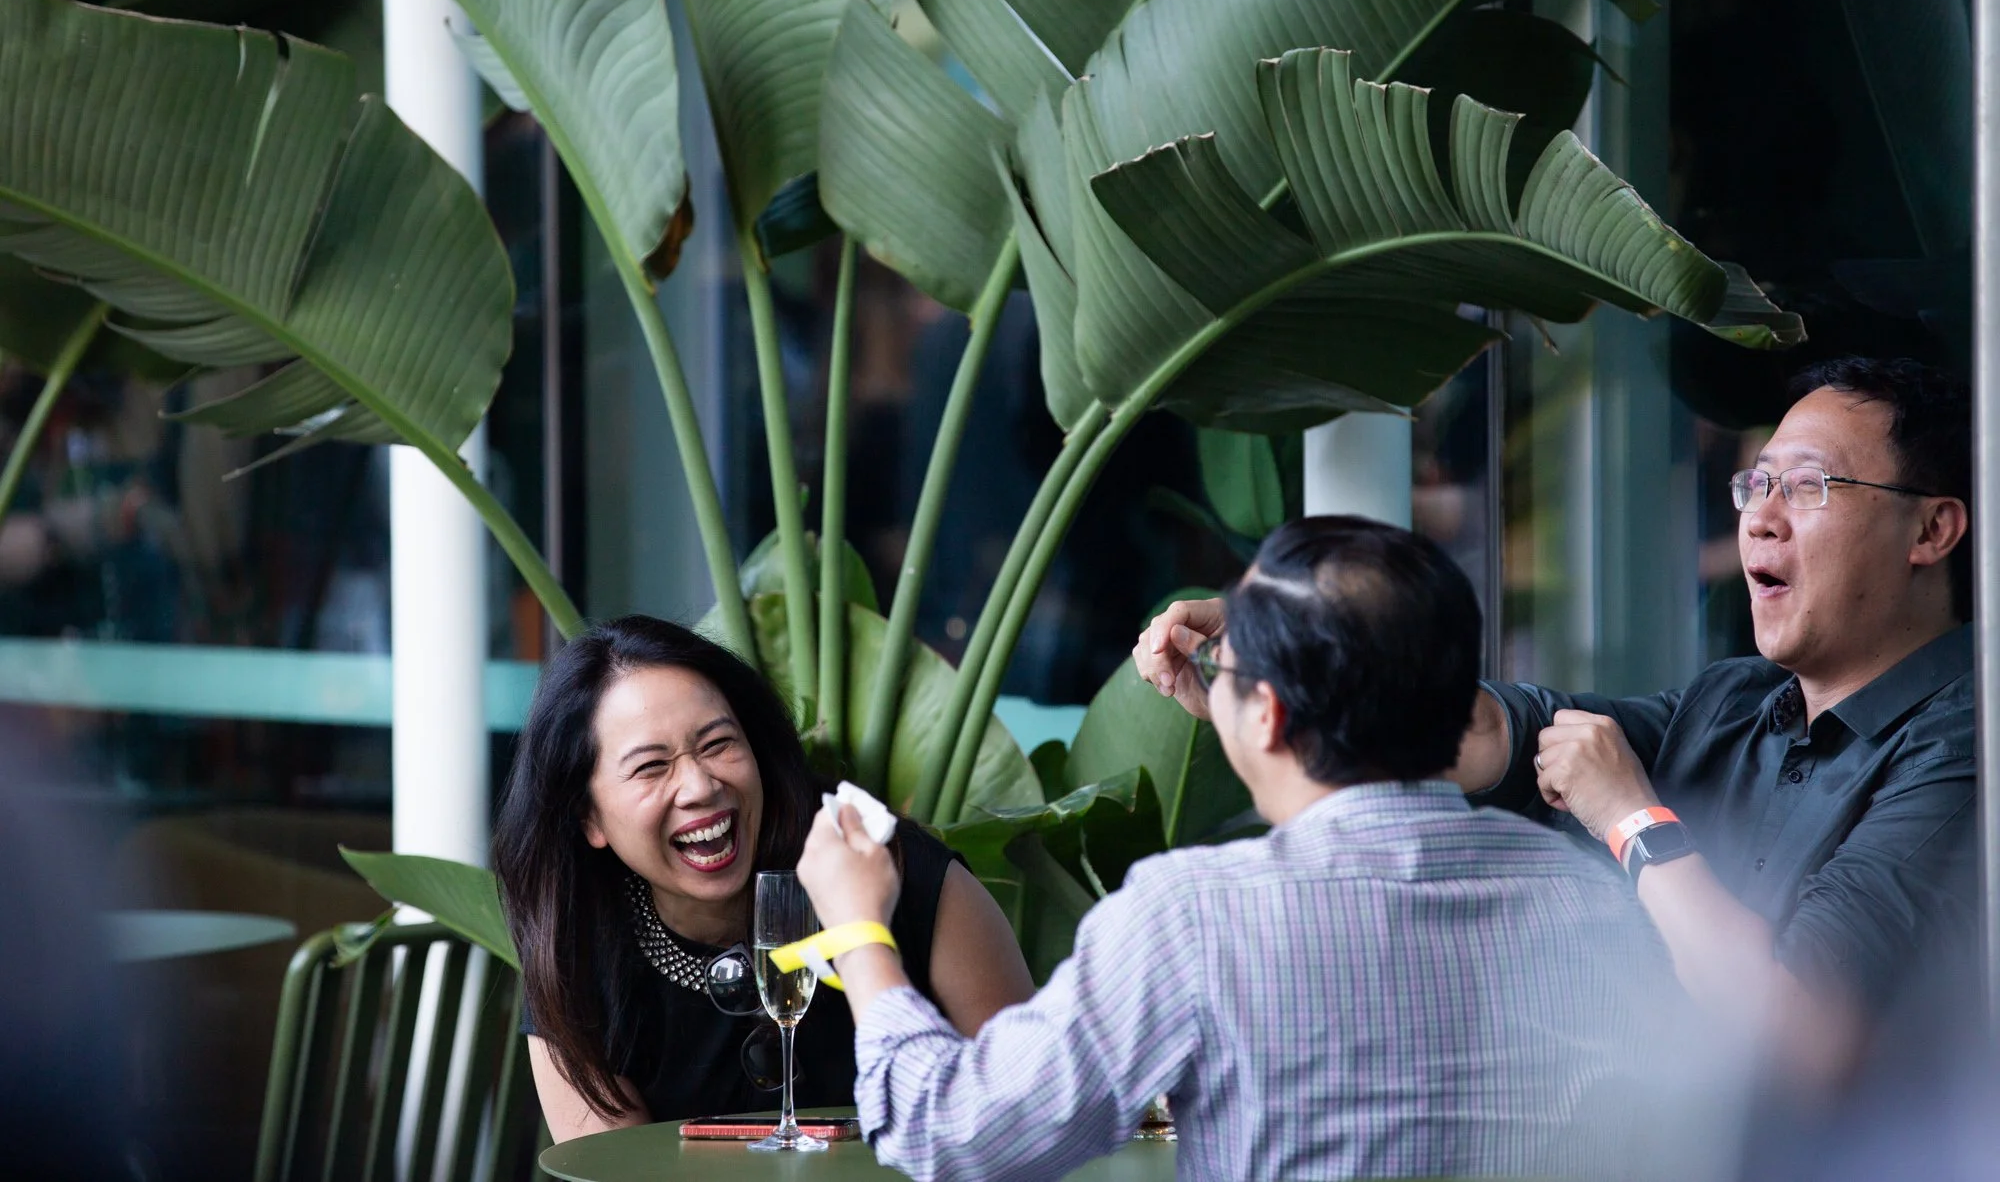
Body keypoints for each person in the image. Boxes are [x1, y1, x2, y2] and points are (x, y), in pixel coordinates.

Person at [797, 517, 1676, 1181]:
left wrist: (859, 930)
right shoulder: (1592, 899)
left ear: (1269, 716)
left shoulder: (1191, 916)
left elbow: (958, 1131)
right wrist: (1245, 706)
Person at [1138, 357, 1974, 1051]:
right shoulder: (1737, 700)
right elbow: (1489, 733)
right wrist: (1278, 664)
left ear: (1931, 531)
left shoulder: (1969, 744)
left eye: (1807, 485)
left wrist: (1631, 817)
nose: (1761, 516)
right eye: (1755, 483)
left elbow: (1800, 1037)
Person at [492, 615, 1034, 1141]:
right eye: (652, 767)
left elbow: (1023, 1117)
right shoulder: (575, 946)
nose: (700, 786)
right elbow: (612, 1168)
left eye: (717, 744)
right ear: (588, 817)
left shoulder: (898, 874)